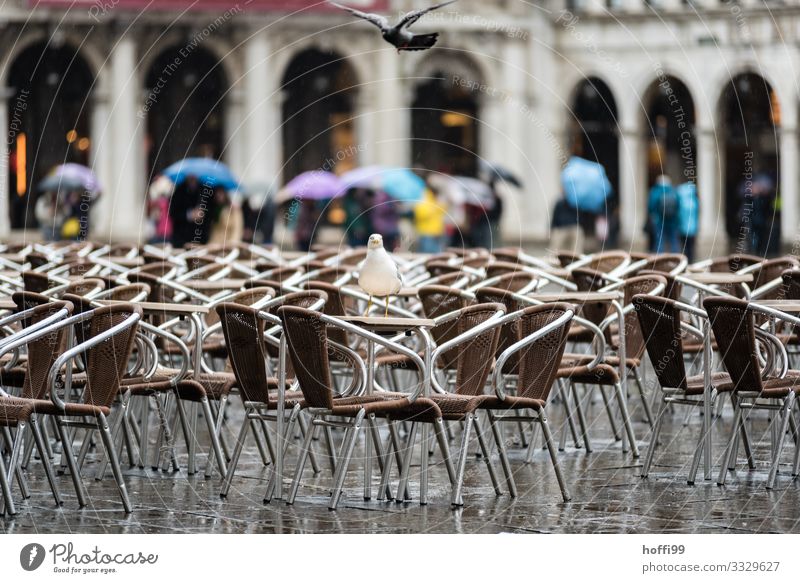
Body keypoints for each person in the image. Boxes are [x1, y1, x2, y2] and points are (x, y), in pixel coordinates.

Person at [647, 175, 679, 253]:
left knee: (659, 240)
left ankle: (660, 259)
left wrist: (653, 214)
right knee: (673, 240)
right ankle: (675, 258)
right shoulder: (673, 191)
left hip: (659, 220)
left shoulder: (655, 191)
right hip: (672, 221)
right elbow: (678, 205)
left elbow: (651, 206)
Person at [414, 187, 447, 253]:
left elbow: (443, 211)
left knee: (437, 254)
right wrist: (432, 209)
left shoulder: (436, 200)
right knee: (426, 254)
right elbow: (419, 214)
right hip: (426, 232)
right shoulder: (423, 200)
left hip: (437, 232)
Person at [676, 180, 699, 262]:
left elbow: (679, 215)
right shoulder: (694, 201)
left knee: (684, 246)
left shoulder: (681, 201)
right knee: (691, 246)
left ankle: (685, 260)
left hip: (683, 228)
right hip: (692, 228)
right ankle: (691, 260)